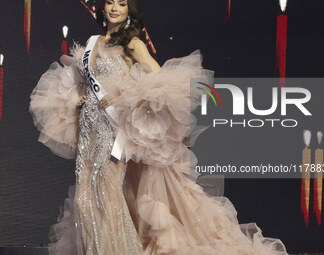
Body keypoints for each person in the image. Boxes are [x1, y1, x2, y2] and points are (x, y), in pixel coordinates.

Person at [29, 0, 289, 254]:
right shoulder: (92, 43)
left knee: (106, 197)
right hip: (89, 126)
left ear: (129, 10)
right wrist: (82, 98)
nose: (114, 8)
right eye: (110, 2)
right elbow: (83, 81)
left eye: (121, 3)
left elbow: (158, 78)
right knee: (83, 200)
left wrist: (123, 94)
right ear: (102, 8)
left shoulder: (133, 44)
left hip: (114, 126)